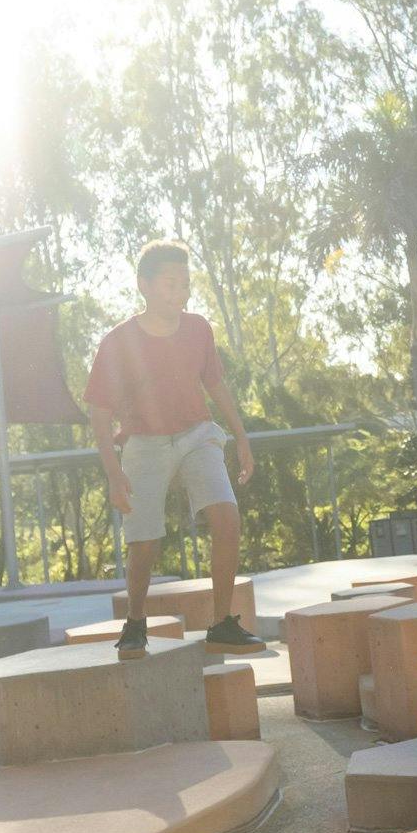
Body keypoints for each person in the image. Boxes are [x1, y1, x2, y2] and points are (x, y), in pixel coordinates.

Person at [87, 240, 265, 655]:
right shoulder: (117, 342)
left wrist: (241, 437)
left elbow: (215, 383)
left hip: (196, 435)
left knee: (227, 517)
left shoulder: (199, 328)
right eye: (170, 284)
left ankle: (221, 623)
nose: (180, 293)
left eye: (185, 285)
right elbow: (98, 413)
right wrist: (115, 474)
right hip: (143, 443)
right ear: (144, 285)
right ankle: (135, 623)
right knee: (144, 543)